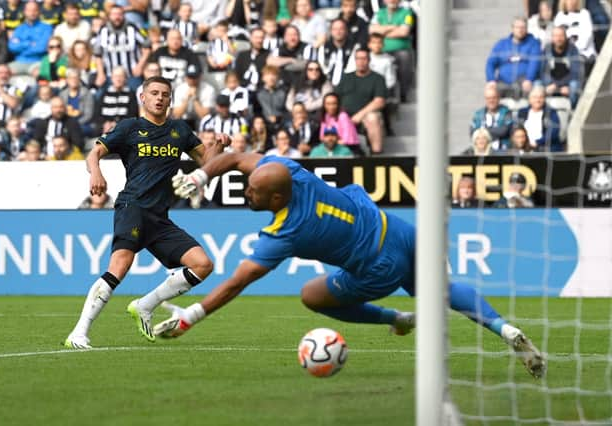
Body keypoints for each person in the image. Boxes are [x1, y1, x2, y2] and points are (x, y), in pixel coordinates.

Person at [161, 151, 547, 379]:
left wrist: (190, 316)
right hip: (396, 228)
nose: (246, 192)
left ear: (277, 197)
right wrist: (200, 174)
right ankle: (506, 328)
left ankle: (396, 318)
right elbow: (238, 158)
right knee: (441, 290)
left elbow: (236, 282)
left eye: (253, 191)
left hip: (378, 265)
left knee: (312, 295)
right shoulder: (293, 172)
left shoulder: (286, 231)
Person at [64, 75, 231, 349]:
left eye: (164, 94)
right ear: (143, 97)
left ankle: (144, 305)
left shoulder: (180, 131)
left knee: (203, 265)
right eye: (154, 93)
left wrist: (220, 146)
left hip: (159, 217)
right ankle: (79, 332)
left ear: (170, 99)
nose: (159, 98)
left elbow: (207, 165)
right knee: (119, 266)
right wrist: (96, 172)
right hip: (133, 206)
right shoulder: (130, 128)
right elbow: (93, 153)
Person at [335, 48, 386, 154]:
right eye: (358, 59)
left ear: (369, 60)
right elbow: (335, 97)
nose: (361, 62)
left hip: (365, 116)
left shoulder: (377, 78)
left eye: (364, 59)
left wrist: (360, 115)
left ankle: (377, 154)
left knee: (373, 118)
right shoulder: (346, 77)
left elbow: (379, 101)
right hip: (344, 115)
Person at [485, 17, 542, 100]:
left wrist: (529, 79)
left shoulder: (533, 43)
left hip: (524, 82)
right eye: (517, 27)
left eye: (523, 27)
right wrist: (491, 79)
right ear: (512, 28)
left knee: (533, 89)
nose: (520, 30)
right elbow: (490, 63)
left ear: (527, 29)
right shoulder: (501, 44)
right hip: (503, 81)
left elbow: (534, 63)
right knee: (491, 91)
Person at [540, 26, 583, 107]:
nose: (558, 39)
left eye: (561, 36)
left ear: (566, 37)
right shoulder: (547, 49)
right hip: (551, 83)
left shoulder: (573, 49)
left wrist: (561, 86)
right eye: (556, 36)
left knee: (574, 86)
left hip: (567, 83)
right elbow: (543, 71)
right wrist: (549, 84)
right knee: (537, 85)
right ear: (552, 38)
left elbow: (575, 72)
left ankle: (573, 111)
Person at [470, 85, 514, 152]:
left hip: (503, 150)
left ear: (499, 98)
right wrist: (494, 131)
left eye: (494, 98)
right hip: (483, 151)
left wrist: (483, 130)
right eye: (488, 98)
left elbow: (504, 131)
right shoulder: (478, 114)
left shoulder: (506, 112)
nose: (491, 100)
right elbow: (473, 133)